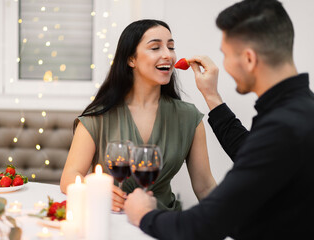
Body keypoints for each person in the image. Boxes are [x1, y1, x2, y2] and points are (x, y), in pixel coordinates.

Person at [124, 0, 314, 239]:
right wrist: (211, 96)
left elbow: (202, 225)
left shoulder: (282, 127)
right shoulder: (301, 108)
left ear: (249, 59)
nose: (223, 65)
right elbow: (251, 150)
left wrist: (143, 214)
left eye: (225, 55)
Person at [60, 19, 217, 212]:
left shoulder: (188, 117)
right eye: (155, 48)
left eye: (171, 47)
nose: (168, 55)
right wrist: (94, 191)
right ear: (131, 59)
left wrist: (235, 226)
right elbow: (69, 177)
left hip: (165, 224)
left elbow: (205, 186)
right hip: (110, 221)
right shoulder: (98, 117)